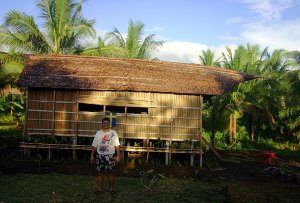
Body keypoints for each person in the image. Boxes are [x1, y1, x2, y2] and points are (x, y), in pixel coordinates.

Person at [90, 117, 120, 195]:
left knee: (111, 173)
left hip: (110, 156)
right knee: (100, 173)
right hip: (100, 156)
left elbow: (117, 145)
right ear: (102, 124)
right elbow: (94, 145)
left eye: (107, 123)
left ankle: (111, 189)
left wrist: (118, 156)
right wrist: (92, 155)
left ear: (109, 124)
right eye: (104, 123)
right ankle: (99, 189)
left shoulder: (114, 133)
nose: (105, 124)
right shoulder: (98, 133)